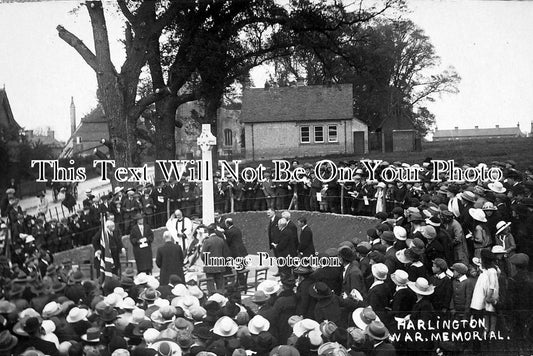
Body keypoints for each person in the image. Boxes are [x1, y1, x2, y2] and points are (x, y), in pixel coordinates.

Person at [201, 223, 231, 289]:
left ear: (208, 232)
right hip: (220, 266)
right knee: (220, 284)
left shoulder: (207, 241)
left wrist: (206, 262)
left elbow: (203, 255)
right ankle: (221, 296)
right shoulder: (221, 240)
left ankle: (212, 297)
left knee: (210, 284)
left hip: (210, 267)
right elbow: (224, 254)